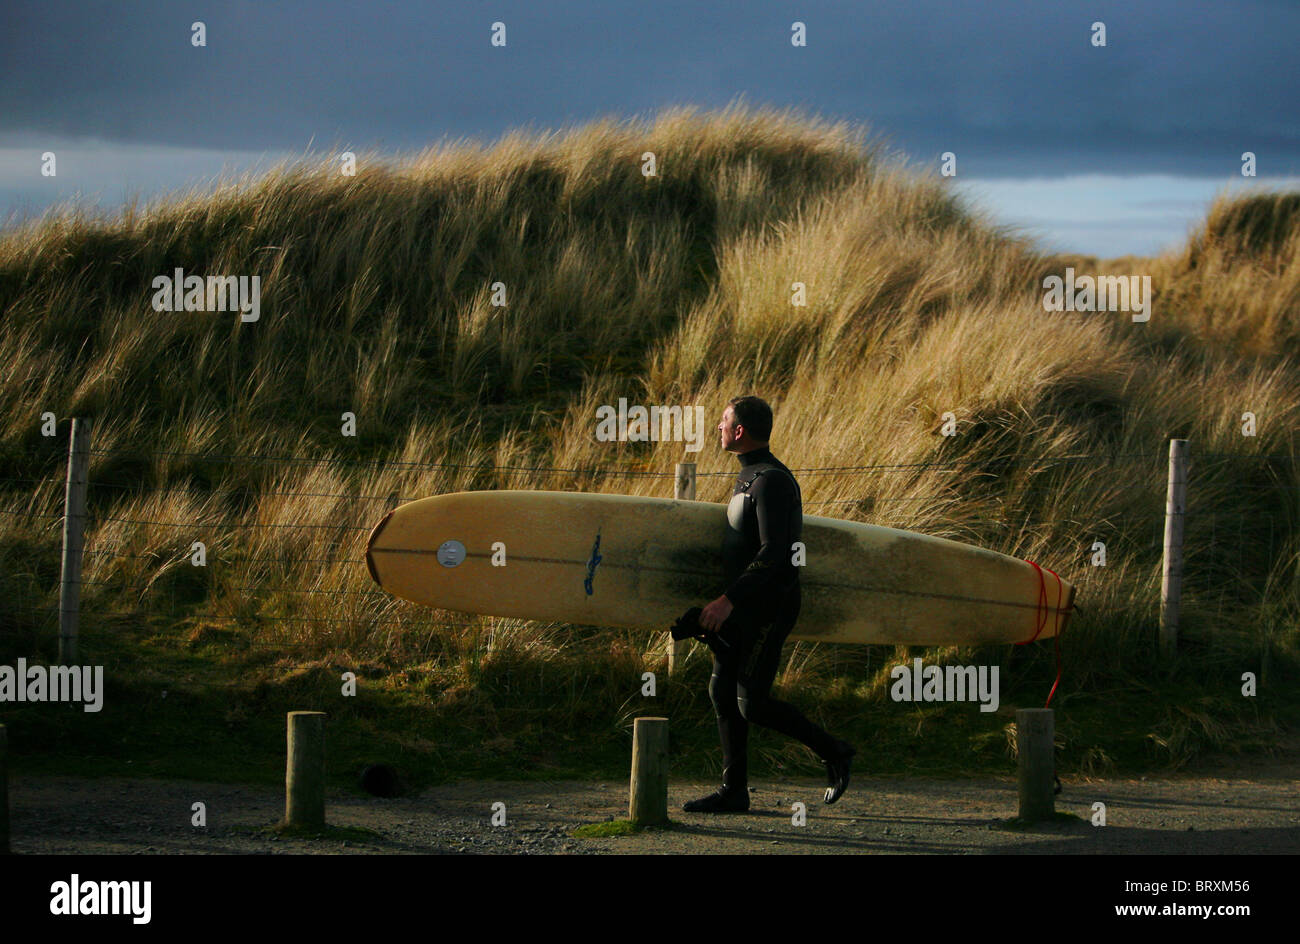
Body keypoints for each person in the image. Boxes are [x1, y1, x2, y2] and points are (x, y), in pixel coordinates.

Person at [684, 396, 855, 813]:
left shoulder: (772, 480)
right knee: (722, 690)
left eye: (723, 422)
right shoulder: (751, 476)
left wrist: (727, 601)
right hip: (744, 606)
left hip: (768, 607)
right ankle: (733, 791)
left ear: (739, 431)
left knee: (751, 702)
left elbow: (775, 552)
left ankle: (835, 751)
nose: (718, 429)